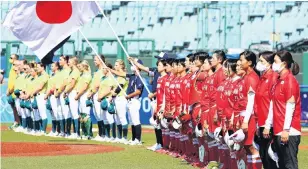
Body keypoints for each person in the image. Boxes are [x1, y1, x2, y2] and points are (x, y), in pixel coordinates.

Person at [270, 50, 301, 169]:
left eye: (275, 61)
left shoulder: (290, 80)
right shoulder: (278, 81)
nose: (273, 64)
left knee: (290, 164)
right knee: (282, 164)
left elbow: (290, 106)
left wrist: (286, 129)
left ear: (284, 63)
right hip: (279, 128)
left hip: (289, 131)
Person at [254, 51, 279, 169]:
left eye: (261, 61)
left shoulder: (273, 77)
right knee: (263, 154)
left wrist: (268, 124)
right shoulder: (262, 78)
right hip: (261, 121)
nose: (258, 63)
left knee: (270, 156)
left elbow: (273, 102)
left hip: (270, 123)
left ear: (269, 63)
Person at [239, 50, 261, 169]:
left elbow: (251, 101)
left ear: (250, 62)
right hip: (247, 115)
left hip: (252, 116)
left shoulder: (252, 77)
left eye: (242, 60)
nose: (240, 62)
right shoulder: (247, 76)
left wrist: (246, 120)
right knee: (247, 147)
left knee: (251, 147)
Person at [125, 59, 145, 146]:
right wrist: (111, 70)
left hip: (134, 100)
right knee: (132, 121)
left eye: (134, 64)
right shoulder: (132, 76)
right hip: (130, 101)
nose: (132, 66)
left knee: (136, 120)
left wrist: (129, 96)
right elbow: (121, 74)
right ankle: (133, 139)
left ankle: (138, 139)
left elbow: (138, 91)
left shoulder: (139, 78)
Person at [97, 63, 118, 142]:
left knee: (110, 118)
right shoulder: (104, 78)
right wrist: (99, 97)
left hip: (107, 99)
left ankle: (113, 136)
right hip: (102, 99)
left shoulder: (110, 78)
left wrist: (100, 97)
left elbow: (109, 90)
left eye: (104, 68)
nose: (102, 69)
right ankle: (107, 136)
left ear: (108, 69)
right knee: (105, 119)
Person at [88, 54, 106, 141]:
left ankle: (103, 134)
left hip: (99, 94)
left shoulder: (103, 70)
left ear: (100, 60)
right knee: (97, 115)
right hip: (94, 94)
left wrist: (92, 93)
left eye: (96, 60)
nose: (94, 61)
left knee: (100, 114)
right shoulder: (97, 71)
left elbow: (99, 84)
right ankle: (100, 134)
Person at [111, 59, 129, 143]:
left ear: (121, 66)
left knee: (122, 117)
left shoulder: (122, 76)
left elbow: (119, 88)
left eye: (116, 65)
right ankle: (119, 137)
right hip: (116, 98)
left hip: (121, 98)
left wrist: (112, 94)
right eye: (115, 65)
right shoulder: (118, 77)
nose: (115, 66)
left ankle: (124, 138)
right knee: (117, 118)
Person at [63, 56, 81, 139]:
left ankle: (77, 133)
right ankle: (74, 132)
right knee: (72, 113)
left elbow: (72, 84)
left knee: (74, 113)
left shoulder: (75, 72)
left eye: (70, 61)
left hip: (73, 92)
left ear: (74, 62)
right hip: (70, 93)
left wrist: (66, 91)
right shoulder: (72, 71)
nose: (68, 63)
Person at [75, 60, 92, 140]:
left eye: (81, 66)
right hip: (81, 96)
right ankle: (85, 133)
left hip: (84, 95)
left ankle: (89, 134)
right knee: (82, 115)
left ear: (84, 66)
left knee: (86, 115)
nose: (79, 67)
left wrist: (78, 95)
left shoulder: (87, 75)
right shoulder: (82, 75)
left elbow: (85, 87)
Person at [55, 55, 72, 137]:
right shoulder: (62, 71)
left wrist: (59, 91)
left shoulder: (67, 70)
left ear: (66, 61)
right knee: (60, 112)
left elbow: (65, 82)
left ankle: (67, 132)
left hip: (63, 92)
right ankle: (62, 131)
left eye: (61, 59)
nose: (59, 61)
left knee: (66, 112)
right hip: (58, 92)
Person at [30, 63, 49, 134]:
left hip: (42, 95)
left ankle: (43, 131)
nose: (37, 68)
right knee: (39, 114)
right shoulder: (40, 76)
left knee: (42, 113)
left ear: (43, 67)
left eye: (38, 67)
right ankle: (39, 130)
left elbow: (40, 87)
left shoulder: (45, 75)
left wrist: (32, 93)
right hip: (38, 95)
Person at [45, 62, 63, 137]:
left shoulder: (59, 75)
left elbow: (56, 86)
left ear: (57, 67)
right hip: (50, 95)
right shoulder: (52, 75)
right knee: (53, 114)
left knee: (57, 113)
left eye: (53, 66)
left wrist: (50, 93)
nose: (51, 67)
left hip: (55, 95)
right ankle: (54, 130)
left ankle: (59, 131)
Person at [6, 54, 20, 129]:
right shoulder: (12, 67)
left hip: (15, 91)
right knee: (14, 108)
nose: (10, 59)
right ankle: (16, 122)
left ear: (15, 59)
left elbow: (16, 80)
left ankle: (18, 123)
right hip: (11, 90)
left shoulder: (16, 67)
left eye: (11, 58)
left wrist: (10, 90)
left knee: (17, 108)